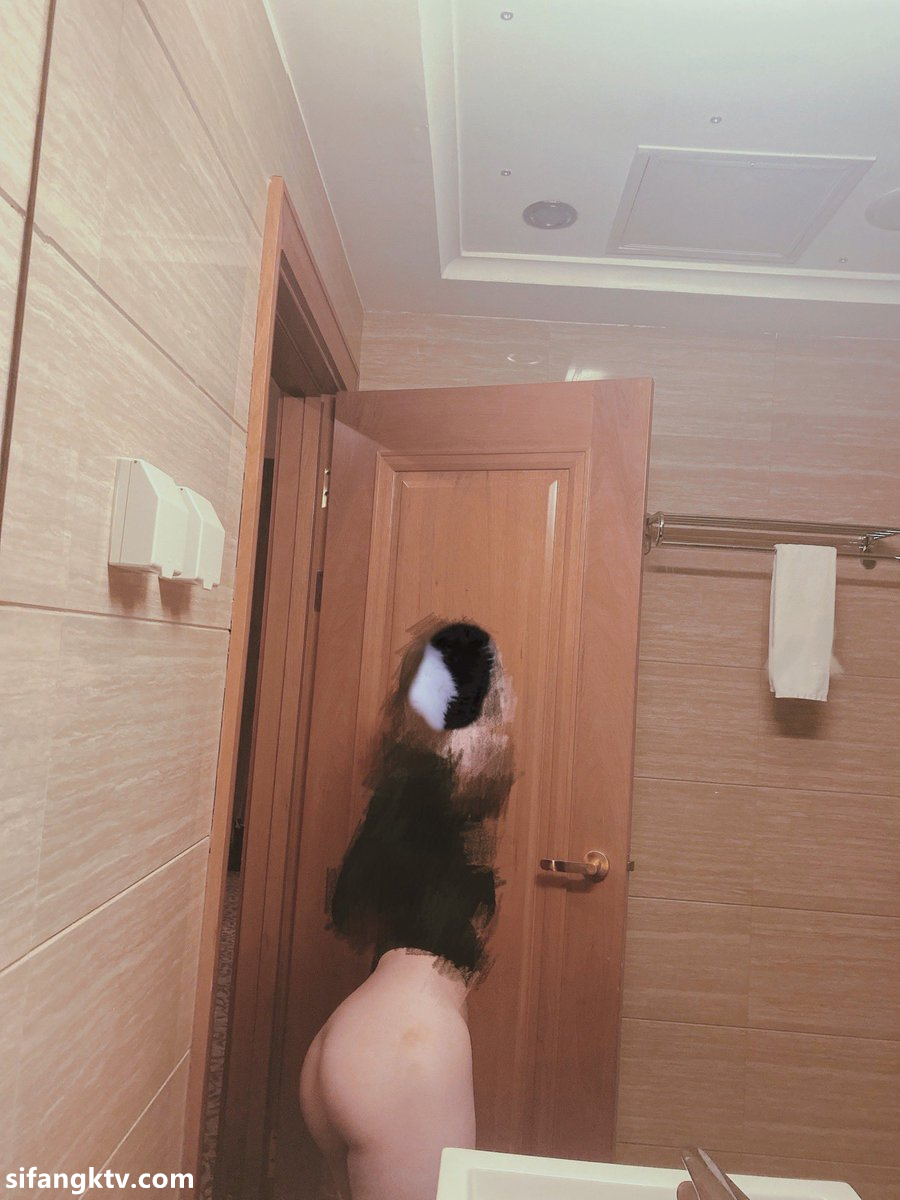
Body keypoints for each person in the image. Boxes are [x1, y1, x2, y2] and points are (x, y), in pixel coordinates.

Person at [299, 621, 514, 1200]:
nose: (505, 710)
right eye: (495, 691)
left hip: (357, 1033)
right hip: (406, 1052)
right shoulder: (435, 786)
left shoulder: (405, 793)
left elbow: (351, 904)